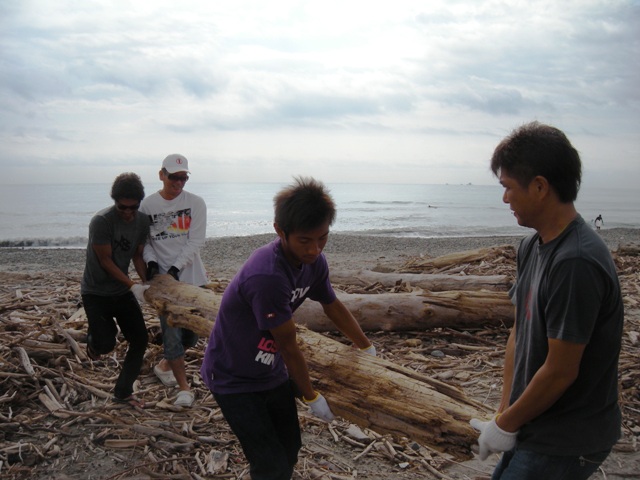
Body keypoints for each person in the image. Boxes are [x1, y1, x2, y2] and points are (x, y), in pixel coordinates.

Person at [470, 122, 624, 479]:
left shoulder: (576, 261)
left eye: (508, 188)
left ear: (539, 187)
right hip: (533, 423)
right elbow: (519, 333)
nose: (504, 198)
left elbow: (560, 371)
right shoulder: (533, 246)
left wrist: (506, 424)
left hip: (567, 437)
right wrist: (504, 415)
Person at [200, 176, 376, 480]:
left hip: (270, 371)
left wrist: (365, 346)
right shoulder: (266, 276)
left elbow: (332, 305)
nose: (314, 249)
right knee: (269, 464)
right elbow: (288, 344)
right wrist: (310, 396)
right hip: (233, 377)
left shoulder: (315, 262)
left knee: (290, 448)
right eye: (304, 241)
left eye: (322, 238)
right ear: (280, 231)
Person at [139, 153, 207, 408]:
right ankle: (184, 389)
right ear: (161, 175)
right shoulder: (147, 206)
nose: (178, 183)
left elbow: (196, 241)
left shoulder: (196, 203)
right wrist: (153, 264)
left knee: (191, 337)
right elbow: (145, 242)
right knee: (172, 335)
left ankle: (164, 365)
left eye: (183, 178)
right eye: (174, 177)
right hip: (164, 284)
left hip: (191, 279)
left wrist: (176, 269)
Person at [81, 172, 151, 408]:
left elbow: (137, 255)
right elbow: (106, 261)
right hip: (95, 291)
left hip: (120, 291)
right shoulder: (102, 221)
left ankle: (123, 391)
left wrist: (146, 283)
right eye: (123, 208)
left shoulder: (142, 221)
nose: (129, 213)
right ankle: (94, 341)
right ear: (115, 201)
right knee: (105, 344)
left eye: (134, 207)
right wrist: (133, 286)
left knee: (140, 339)